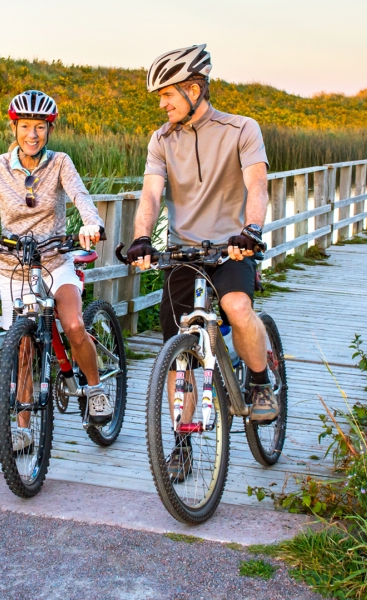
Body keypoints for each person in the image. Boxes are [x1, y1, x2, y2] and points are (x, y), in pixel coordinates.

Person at [126, 45, 277, 478]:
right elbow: (152, 193)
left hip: (232, 247)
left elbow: (257, 184)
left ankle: (261, 382)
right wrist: (141, 236)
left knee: (236, 307)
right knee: (180, 355)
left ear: (194, 89)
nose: (162, 104)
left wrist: (251, 230)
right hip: (184, 252)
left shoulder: (242, 129)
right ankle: (182, 443)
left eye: (167, 94)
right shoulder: (161, 139)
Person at [0, 90, 112, 452]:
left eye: (40, 127)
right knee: (23, 348)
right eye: (26, 127)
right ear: (15, 127)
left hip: (55, 261)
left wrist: (90, 224)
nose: (33, 135)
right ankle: (22, 432)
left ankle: (96, 387)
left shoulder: (61, 163)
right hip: (14, 268)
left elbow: (82, 198)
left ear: (49, 129)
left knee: (72, 325)